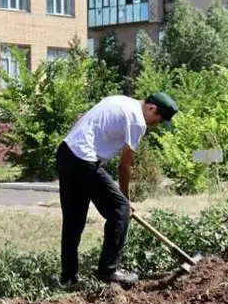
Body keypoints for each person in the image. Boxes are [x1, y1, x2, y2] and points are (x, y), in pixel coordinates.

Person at [56, 92, 178, 287]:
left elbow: (81, 117)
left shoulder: (119, 100)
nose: (154, 125)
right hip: (85, 159)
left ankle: (68, 278)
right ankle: (109, 270)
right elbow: (124, 166)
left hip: (66, 152)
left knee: (73, 220)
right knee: (120, 209)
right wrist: (126, 200)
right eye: (157, 120)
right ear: (151, 108)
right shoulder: (137, 121)